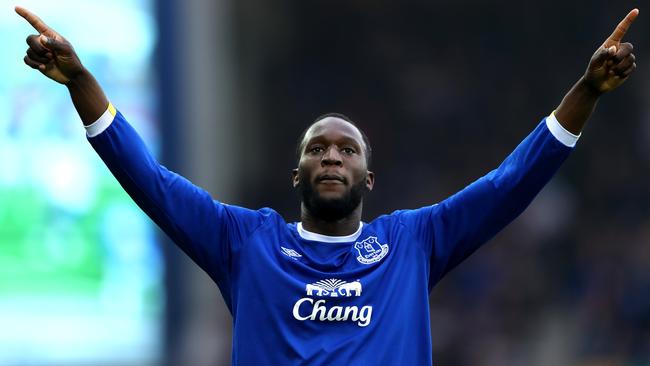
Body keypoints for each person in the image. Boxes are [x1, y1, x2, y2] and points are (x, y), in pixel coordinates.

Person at [16, 5, 639, 365]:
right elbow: (149, 180)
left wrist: (585, 91)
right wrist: (79, 83)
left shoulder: (413, 241)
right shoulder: (246, 242)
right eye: (318, 149)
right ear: (298, 174)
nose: (332, 157)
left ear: (369, 176)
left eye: (347, 149)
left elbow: (510, 185)